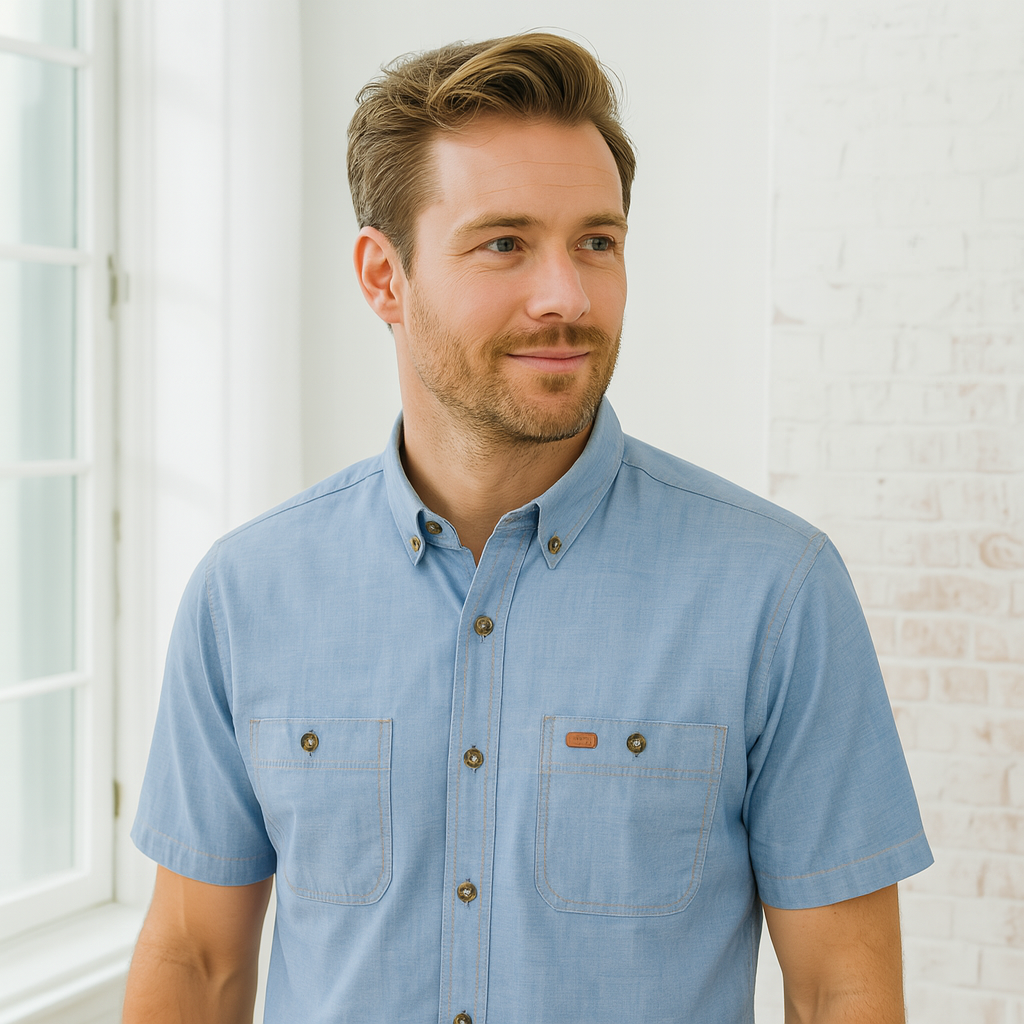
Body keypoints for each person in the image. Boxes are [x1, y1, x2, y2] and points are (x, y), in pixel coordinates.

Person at [123, 32, 932, 1024]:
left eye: (596, 240)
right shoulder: (245, 593)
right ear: (384, 277)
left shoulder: (777, 591)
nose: (568, 296)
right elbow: (194, 962)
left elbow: (838, 988)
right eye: (505, 242)